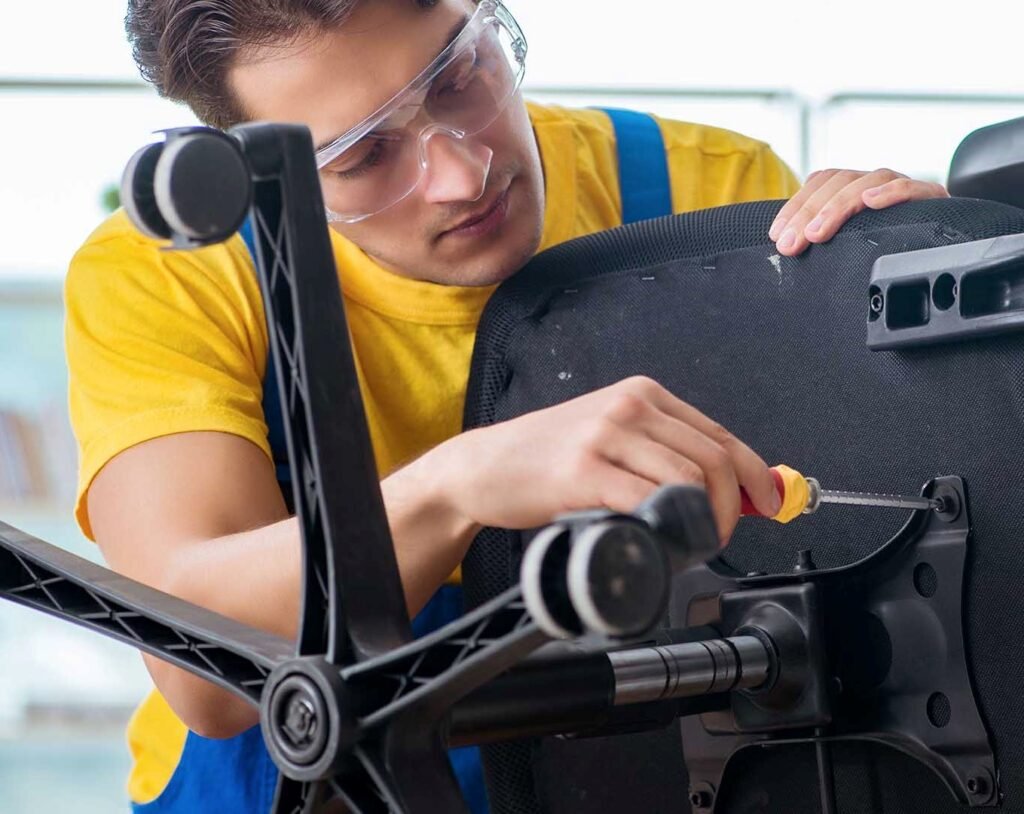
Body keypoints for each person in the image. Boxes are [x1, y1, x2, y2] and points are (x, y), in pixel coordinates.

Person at [64, 0, 950, 811]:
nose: (462, 172)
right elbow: (206, 676)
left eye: (458, 77)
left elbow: (862, 519)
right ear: (244, 166)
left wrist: (943, 298)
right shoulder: (174, 276)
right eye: (365, 156)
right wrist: (460, 484)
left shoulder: (710, 195)